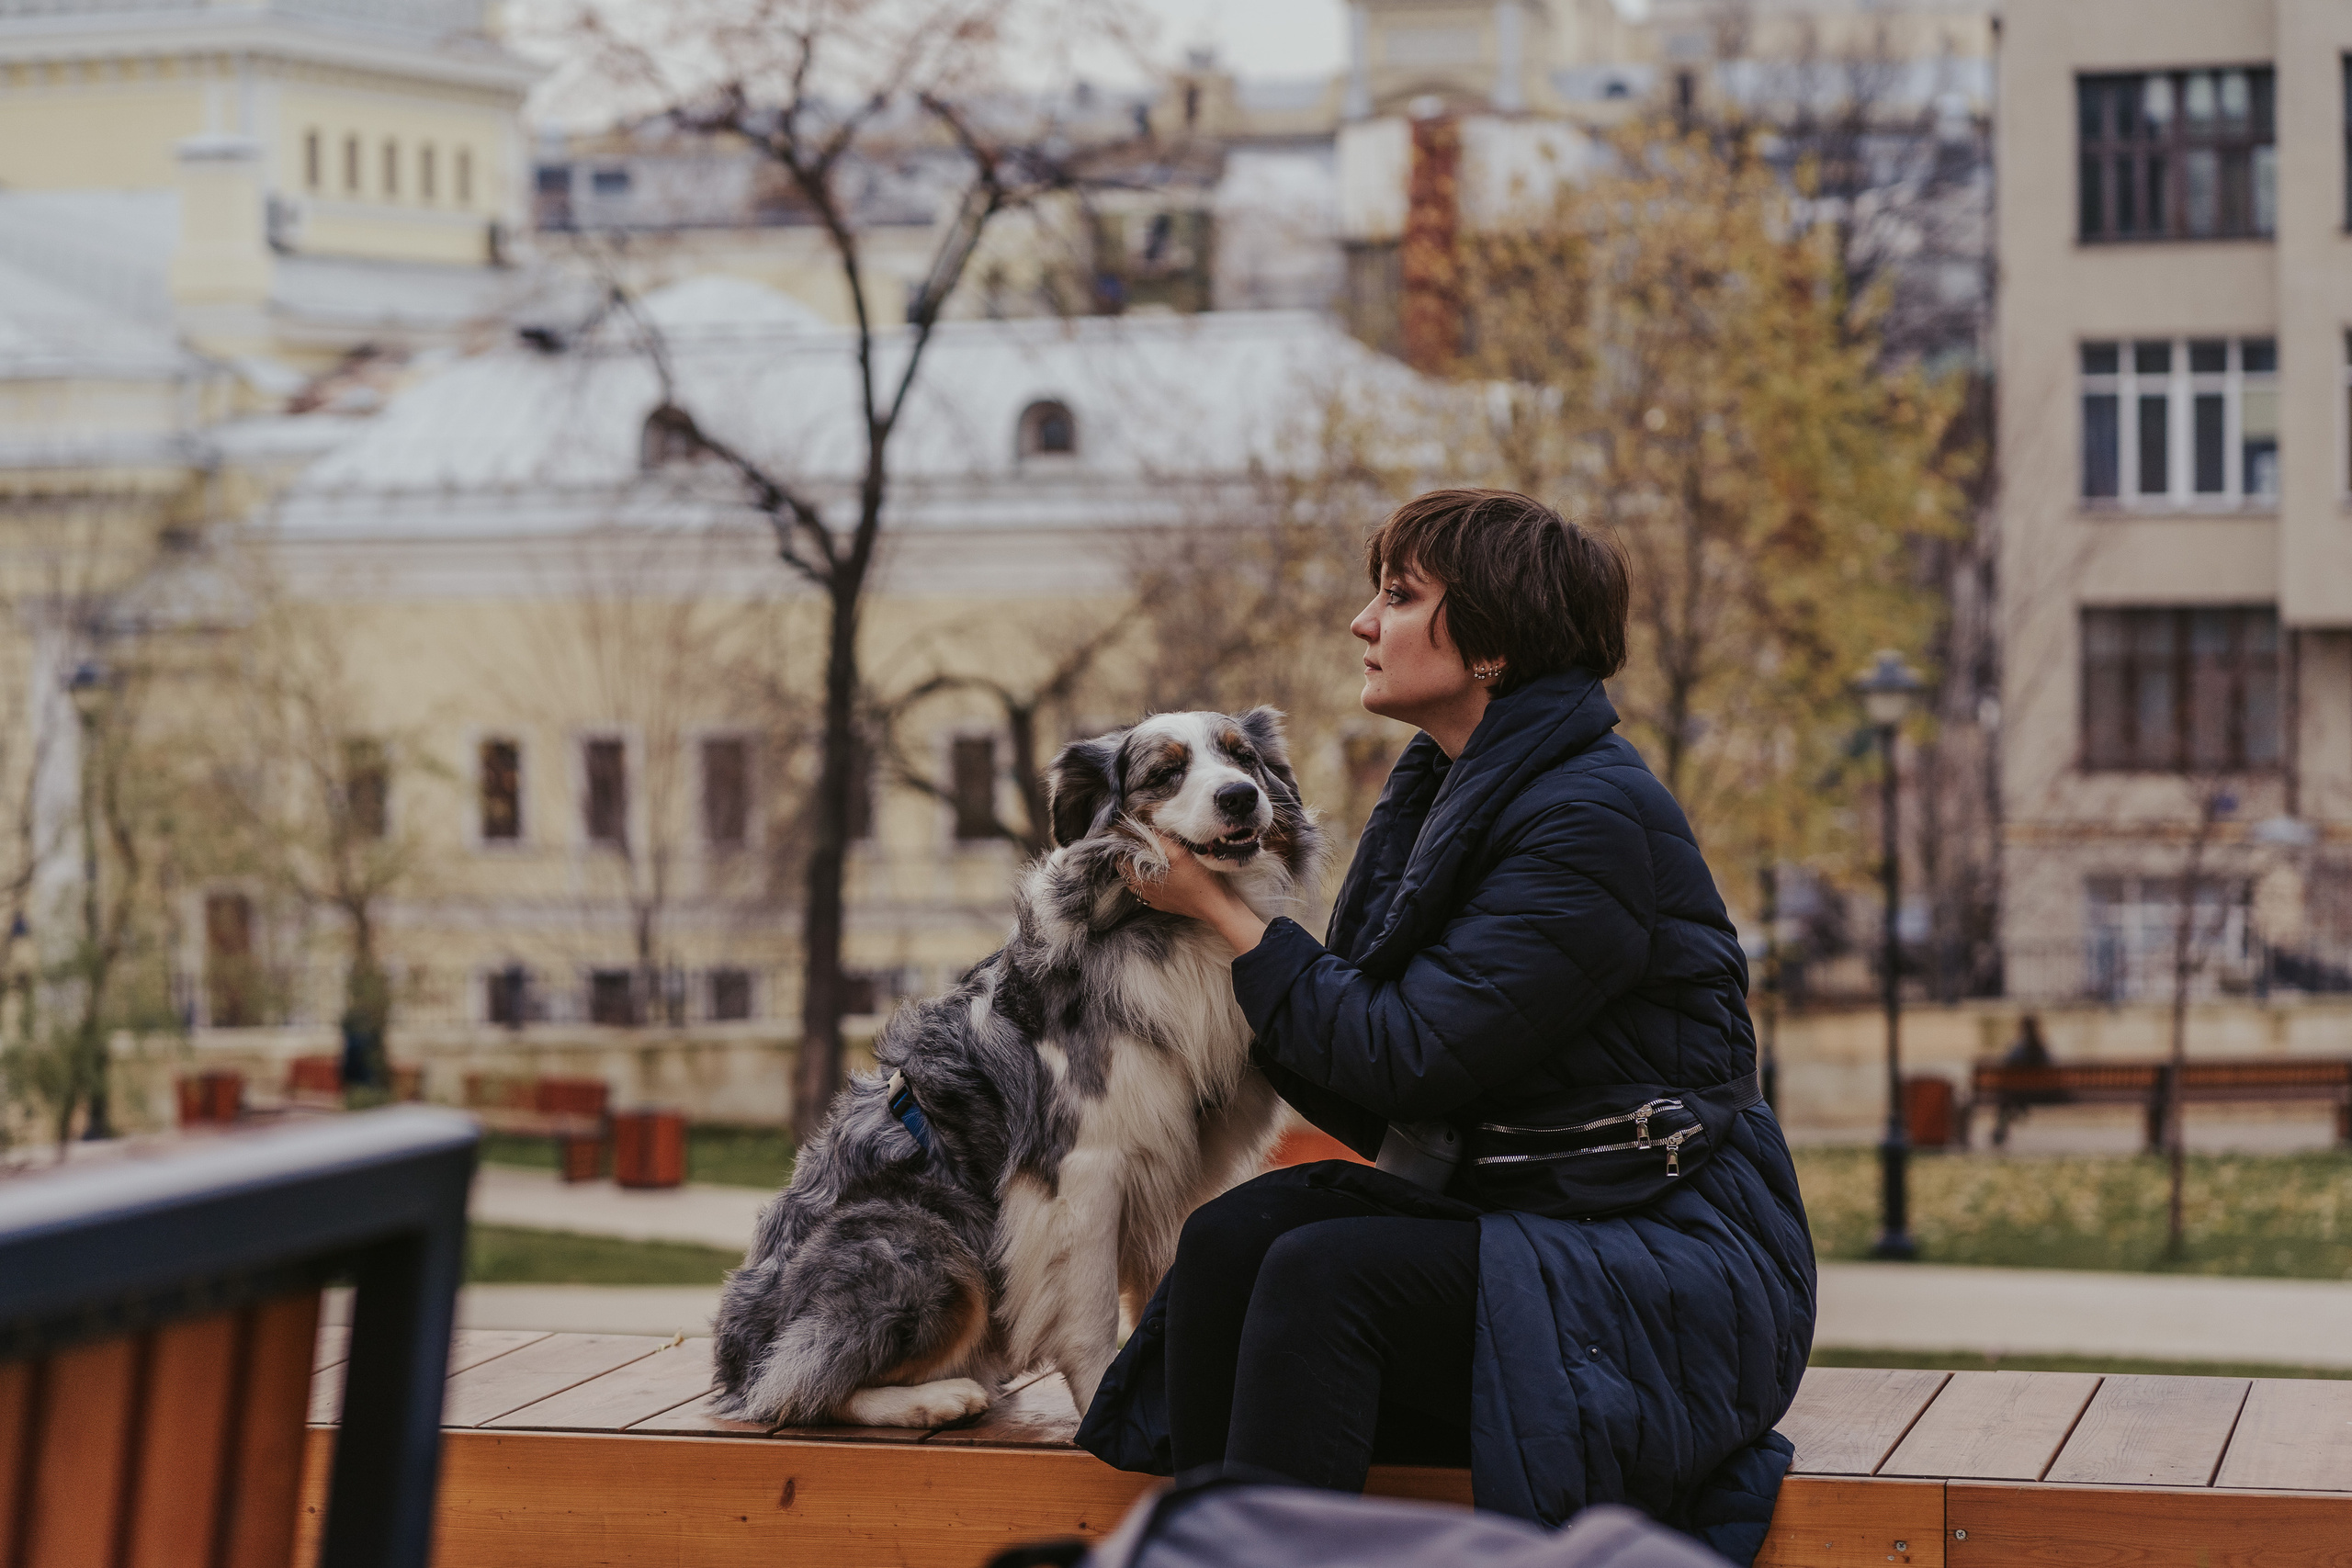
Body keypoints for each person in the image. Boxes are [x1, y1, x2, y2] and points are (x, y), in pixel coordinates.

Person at [1081, 489, 1815, 1566]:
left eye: (1397, 596)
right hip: (1554, 1220)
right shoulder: (1444, 796)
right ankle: (1211, 1547)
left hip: (1673, 1262)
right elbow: (1365, 1079)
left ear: (1491, 647)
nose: (1362, 624)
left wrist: (1230, 920)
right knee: (1236, 1236)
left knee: (1330, 1274)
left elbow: (1411, 1060)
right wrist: (1216, 949)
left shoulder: (1585, 819)